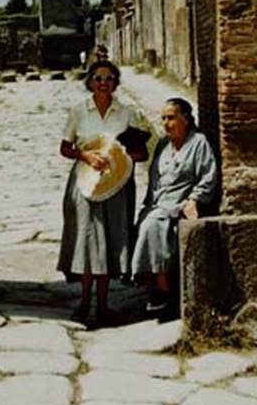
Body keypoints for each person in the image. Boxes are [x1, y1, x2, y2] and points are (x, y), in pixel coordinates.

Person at [58, 59, 147, 325]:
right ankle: (85, 302)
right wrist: (85, 155)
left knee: (109, 240)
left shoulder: (127, 114)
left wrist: (119, 155)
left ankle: (104, 304)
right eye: (98, 78)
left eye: (109, 79)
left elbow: (141, 153)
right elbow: (65, 148)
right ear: (89, 82)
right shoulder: (78, 112)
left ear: (116, 83)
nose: (103, 83)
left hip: (117, 184)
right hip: (85, 182)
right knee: (87, 240)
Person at [131, 97, 218, 320]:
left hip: (179, 201)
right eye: (163, 119)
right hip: (159, 202)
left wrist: (194, 199)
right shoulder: (162, 144)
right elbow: (154, 179)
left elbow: (208, 176)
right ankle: (151, 285)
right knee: (143, 222)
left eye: (171, 118)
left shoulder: (198, 143)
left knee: (153, 226)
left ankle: (163, 290)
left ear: (185, 119)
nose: (166, 124)